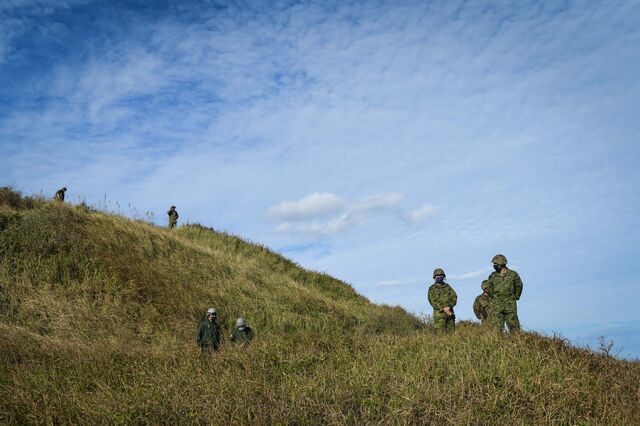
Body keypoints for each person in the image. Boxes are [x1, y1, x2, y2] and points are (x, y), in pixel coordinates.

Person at [486, 254, 523, 332]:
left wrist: (515, 296)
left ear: (502, 263)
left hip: (510, 303)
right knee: (497, 326)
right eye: (494, 264)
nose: (494, 266)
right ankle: (498, 342)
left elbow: (519, 285)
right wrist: (494, 297)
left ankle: (516, 341)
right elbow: (490, 288)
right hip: (497, 303)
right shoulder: (493, 275)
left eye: (496, 264)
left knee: (513, 325)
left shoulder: (513, 274)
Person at [428, 268, 457, 333]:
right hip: (439, 317)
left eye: (441, 276)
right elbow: (432, 301)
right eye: (437, 276)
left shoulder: (448, 287)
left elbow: (454, 297)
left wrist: (449, 306)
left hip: (450, 316)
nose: (439, 277)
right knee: (440, 336)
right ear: (434, 277)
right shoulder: (432, 289)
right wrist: (444, 308)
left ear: (443, 277)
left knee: (451, 336)